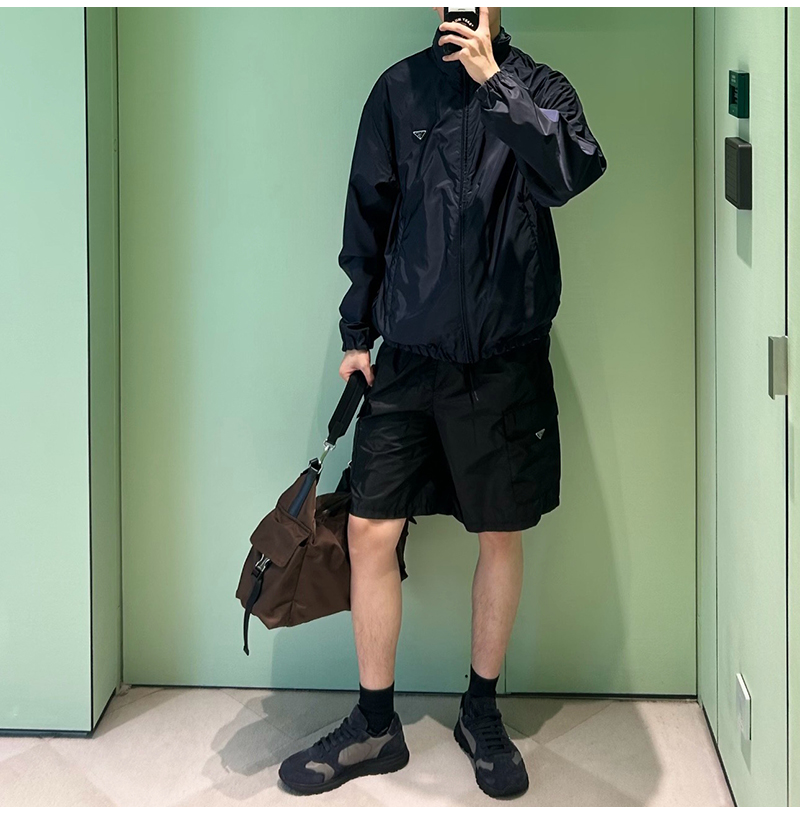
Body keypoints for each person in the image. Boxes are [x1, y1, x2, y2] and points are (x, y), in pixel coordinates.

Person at [279, 6, 606, 799]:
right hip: (407, 361)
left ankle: (480, 711)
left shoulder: (541, 87)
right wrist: (356, 332)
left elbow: (570, 173)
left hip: (504, 361)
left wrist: (496, 83)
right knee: (369, 528)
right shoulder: (399, 92)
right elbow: (367, 215)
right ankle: (375, 722)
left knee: (500, 531)